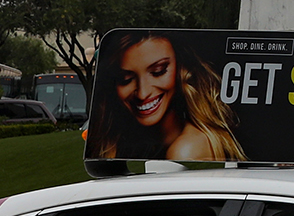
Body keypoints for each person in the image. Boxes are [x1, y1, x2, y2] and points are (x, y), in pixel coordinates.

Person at [85, 33, 244, 162]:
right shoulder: (144, 144)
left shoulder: (184, 150)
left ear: (182, 69)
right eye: (125, 79)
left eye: (158, 71)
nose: (142, 93)